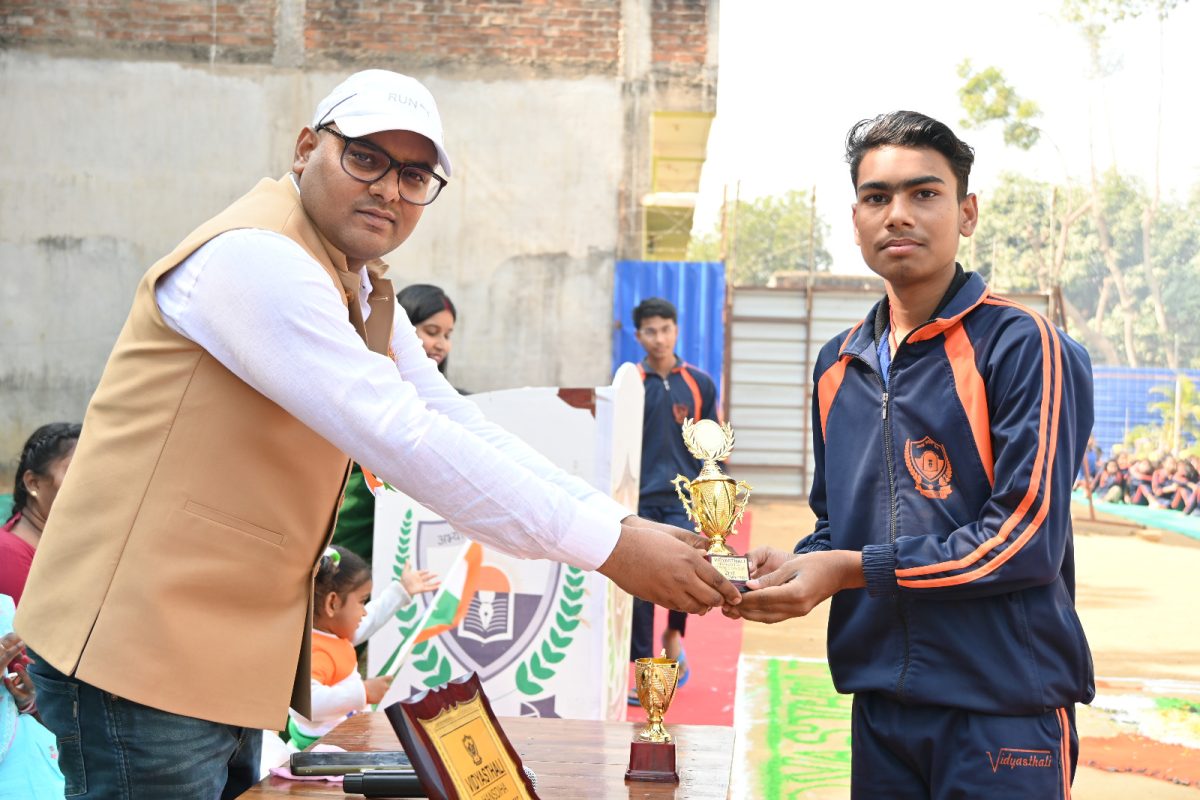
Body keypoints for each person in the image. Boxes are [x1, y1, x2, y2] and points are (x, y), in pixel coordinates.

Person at [16, 69, 739, 799]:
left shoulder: (355, 283)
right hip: (140, 646)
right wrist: (610, 548)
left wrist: (618, 523)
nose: (389, 189)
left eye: (414, 175)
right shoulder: (257, 259)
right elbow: (404, 438)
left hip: (219, 649)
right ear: (306, 149)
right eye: (365, 157)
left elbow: (450, 417)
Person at [723, 111, 1094, 798]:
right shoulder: (839, 363)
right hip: (881, 706)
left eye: (924, 193)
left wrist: (849, 569)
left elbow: (1024, 539)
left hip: (1002, 709)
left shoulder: (1022, 345)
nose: (898, 214)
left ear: (967, 213)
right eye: (877, 197)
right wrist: (798, 564)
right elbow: (838, 524)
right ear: (856, 219)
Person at [627, 297, 719, 700]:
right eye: (651, 331)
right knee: (641, 588)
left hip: (685, 502)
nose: (659, 338)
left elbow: (712, 444)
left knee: (686, 574)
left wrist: (714, 499)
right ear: (638, 336)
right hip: (639, 502)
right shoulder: (629, 384)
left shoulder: (700, 383)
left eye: (666, 330)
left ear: (676, 331)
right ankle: (643, 670)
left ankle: (673, 635)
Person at [332, 283, 459, 564]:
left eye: (448, 335)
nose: (442, 344)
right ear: (400, 330)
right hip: (350, 536)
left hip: (409, 555)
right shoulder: (364, 391)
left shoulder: (451, 405)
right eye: (432, 332)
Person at [286, 545, 437, 748]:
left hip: (342, 744)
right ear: (332, 603)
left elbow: (371, 618)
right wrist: (362, 692)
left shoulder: (335, 635)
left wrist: (401, 591)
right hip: (323, 753)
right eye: (362, 601)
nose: (364, 612)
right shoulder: (316, 651)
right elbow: (305, 704)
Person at [0, 423, 80, 607]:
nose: (88, 483)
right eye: (75, 471)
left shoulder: (73, 541)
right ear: (33, 483)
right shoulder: (7, 555)